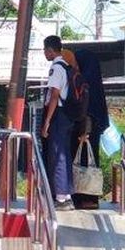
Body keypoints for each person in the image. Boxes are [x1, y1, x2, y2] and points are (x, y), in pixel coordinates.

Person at [72, 49, 110, 209]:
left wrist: (84, 131)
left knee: (82, 163)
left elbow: (86, 109)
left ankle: (82, 197)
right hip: (93, 131)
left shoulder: (85, 81)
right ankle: (92, 198)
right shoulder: (96, 82)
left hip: (84, 129)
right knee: (93, 161)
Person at [41, 35, 74, 211]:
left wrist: (46, 121)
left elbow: (54, 95)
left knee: (57, 155)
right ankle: (66, 195)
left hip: (58, 115)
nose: (44, 53)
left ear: (51, 50)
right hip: (67, 115)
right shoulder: (67, 67)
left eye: (45, 50)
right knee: (64, 153)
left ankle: (61, 198)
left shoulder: (56, 68)